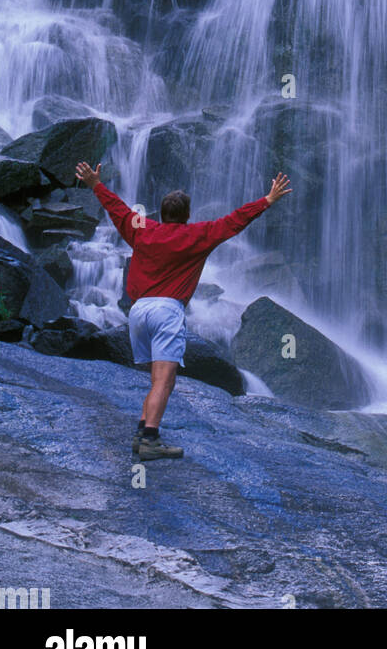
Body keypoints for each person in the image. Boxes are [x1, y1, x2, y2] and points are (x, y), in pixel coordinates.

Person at [74, 161, 292, 461]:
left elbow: (119, 210)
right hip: (167, 310)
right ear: (187, 216)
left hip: (138, 312)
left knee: (159, 377)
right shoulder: (198, 235)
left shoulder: (143, 229)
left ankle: (142, 431)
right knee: (165, 379)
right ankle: (150, 440)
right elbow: (234, 221)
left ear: (161, 215)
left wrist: (96, 185)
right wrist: (266, 201)